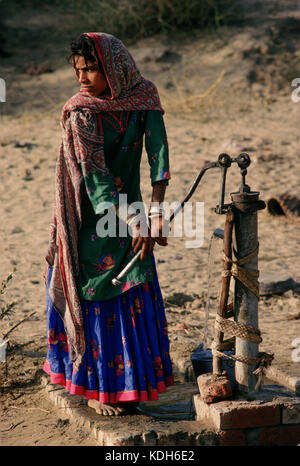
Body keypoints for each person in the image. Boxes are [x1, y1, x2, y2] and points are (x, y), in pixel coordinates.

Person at [42, 32, 174, 416]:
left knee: (133, 285)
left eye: (91, 69)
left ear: (114, 66)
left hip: (131, 212)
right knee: (99, 292)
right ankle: (97, 390)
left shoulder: (144, 97)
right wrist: (134, 222)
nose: (82, 78)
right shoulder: (80, 111)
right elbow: (97, 180)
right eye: (78, 70)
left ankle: (130, 388)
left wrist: (155, 213)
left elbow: (159, 157)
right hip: (87, 218)